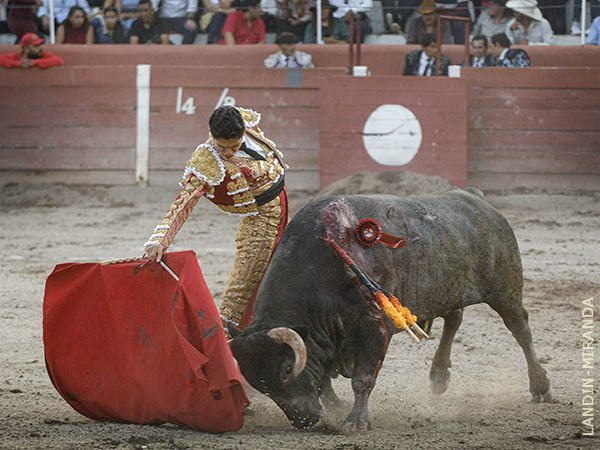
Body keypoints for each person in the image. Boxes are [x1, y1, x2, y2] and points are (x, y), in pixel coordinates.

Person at [143, 106, 289, 331]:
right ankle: (225, 342)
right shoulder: (206, 161)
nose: (228, 153)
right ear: (212, 136)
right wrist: (160, 240)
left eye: (234, 146)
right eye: (222, 147)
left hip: (283, 207)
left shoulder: (246, 124)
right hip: (260, 221)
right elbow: (184, 202)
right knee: (242, 288)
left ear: (242, 133)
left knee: (282, 273)